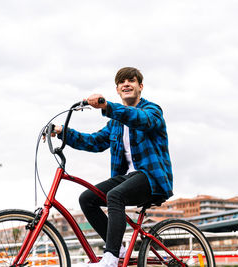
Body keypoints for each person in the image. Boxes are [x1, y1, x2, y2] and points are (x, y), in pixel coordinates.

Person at [54, 67, 173, 267]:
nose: (126, 84)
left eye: (131, 81)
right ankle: (120, 251)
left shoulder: (153, 111)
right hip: (128, 178)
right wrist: (62, 132)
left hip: (152, 178)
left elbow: (141, 120)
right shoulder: (115, 124)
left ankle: (110, 257)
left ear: (140, 87)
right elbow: (93, 142)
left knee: (114, 195)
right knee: (87, 198)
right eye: (121, 82)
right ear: (117, 89)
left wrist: (107, 107)